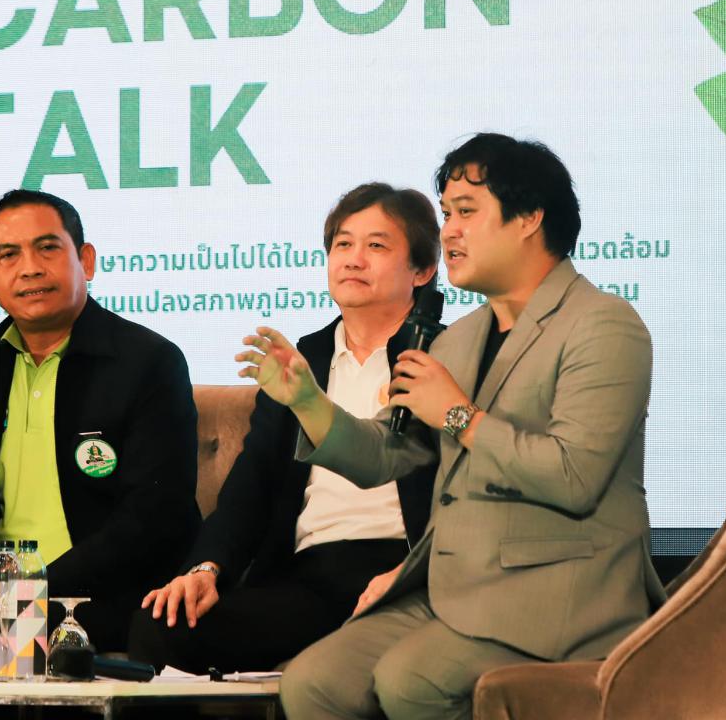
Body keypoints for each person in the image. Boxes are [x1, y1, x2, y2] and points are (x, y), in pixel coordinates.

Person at [239, 134, 665, 719]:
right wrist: (310, 403)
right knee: (314, 683)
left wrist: (460, 417)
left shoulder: (604, 324)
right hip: (452, 590)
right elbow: (390, 454)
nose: (449, 233)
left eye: (466, 212)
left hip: (562, 594)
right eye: (445, 215)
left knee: (411, 683)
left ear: (529, 218)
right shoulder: (460, 338)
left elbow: (574, 476)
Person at [127, 183, 441, 674]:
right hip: (310, 576)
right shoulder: (301, 360)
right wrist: (206, 569)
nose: (354, 259)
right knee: (161, 625)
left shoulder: (445, 355)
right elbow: (251, 485)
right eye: (343, 244)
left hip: (405, 571)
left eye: (376, 245)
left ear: (422, 270)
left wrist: (413, 573)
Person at [0, 189, 200, 654]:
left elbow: (152, 519)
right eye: (9, 255)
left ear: (86, 260)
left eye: (47, 248)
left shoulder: (149, 361)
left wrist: (26, 597)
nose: (30, 268)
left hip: (102, 594)